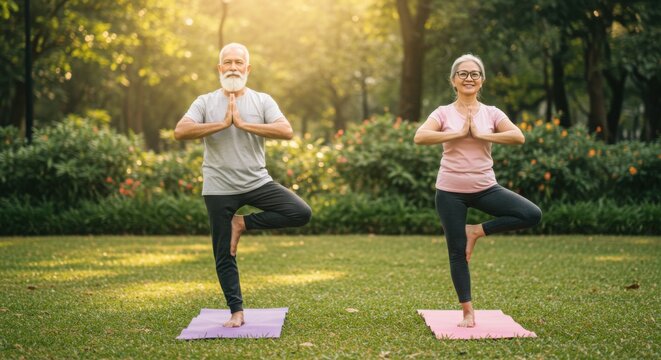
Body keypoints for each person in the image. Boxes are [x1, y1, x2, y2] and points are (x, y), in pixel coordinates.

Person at [174, 43, 312, 327]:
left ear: (247, 69)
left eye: (239, 62)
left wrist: (243, 124)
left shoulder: (262, 100)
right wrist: (223, 123)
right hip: (218, 187)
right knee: (224, 253)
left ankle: (243, 223)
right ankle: (236, 312)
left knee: (300, 212)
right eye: (228, 62)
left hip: (256, 182)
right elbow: (181, 131)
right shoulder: (204, 101)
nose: (233, 67)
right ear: (219, 68)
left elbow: (285, 130)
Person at [413, 54, 542, 328]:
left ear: (481, 81)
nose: (468, 78)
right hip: (449, 191)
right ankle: (468, 312)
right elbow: (420, 136)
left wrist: (482, 135)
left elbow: (518, 136)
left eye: (474, 74)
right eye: (463, 73)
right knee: (457, 252)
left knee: (531, 214)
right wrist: (458, 133)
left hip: (485, 187)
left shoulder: (492, 113)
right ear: (453, 80)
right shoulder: (443, 113)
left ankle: (477, 230)